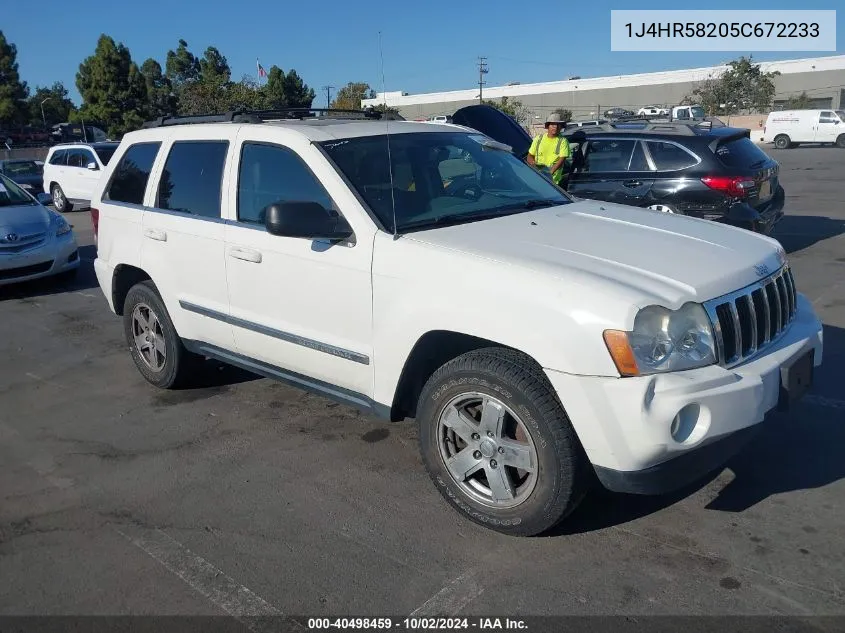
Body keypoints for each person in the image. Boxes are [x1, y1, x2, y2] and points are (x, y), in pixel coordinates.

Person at [526, 113, 571, 187]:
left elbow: (562, 159)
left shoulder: (563, 141)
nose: (555, 127)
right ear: (548, 126)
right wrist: (533, 165)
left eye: (558, 125)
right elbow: (530, 156)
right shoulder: (538, 139)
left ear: (561, 127)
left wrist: (550, 172)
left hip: (553, 183)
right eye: (553, 125)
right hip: (538, 179)